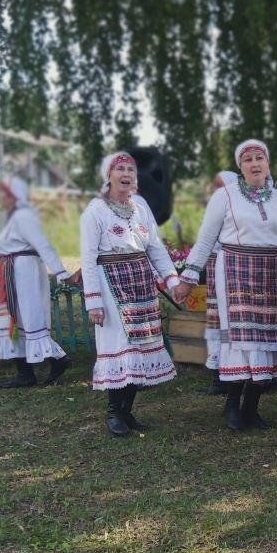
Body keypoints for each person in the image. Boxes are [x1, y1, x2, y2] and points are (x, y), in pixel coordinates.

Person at [180, 139, 277, 430]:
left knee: (267, 342)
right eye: (248, 160)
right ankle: (232, 405)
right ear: (240, 166)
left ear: (268, 163)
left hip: (272, 273)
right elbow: (207, 237)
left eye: (260, 158)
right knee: (241, 339)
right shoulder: (226, 196)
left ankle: (252, 408)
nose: (255, 163)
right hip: (235, 270)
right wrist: (189, 274)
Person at [79, 151, 185, 436]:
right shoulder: (95, 210)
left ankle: (127, 412)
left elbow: (155, 248)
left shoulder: (140, 206)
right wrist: (93, 301)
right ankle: (114, 413)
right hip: (110, 283)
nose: (127, 174)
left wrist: (172, 281)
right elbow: (87, 259)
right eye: (120, 169)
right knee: (119, 347)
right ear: (108, 176)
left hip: (140, 281)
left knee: (139, 349)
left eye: (131, 170)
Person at [0, 176, 73, 387]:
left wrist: (60, 272)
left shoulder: (23, 216)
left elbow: (43, 245)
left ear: (15, 196)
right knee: (13, 320)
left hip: (25, 271)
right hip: (12, 271)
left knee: (30, 318)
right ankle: (25, 373)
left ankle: (58, 359)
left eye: (5, 194)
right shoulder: (12, 219)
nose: (2, 198)